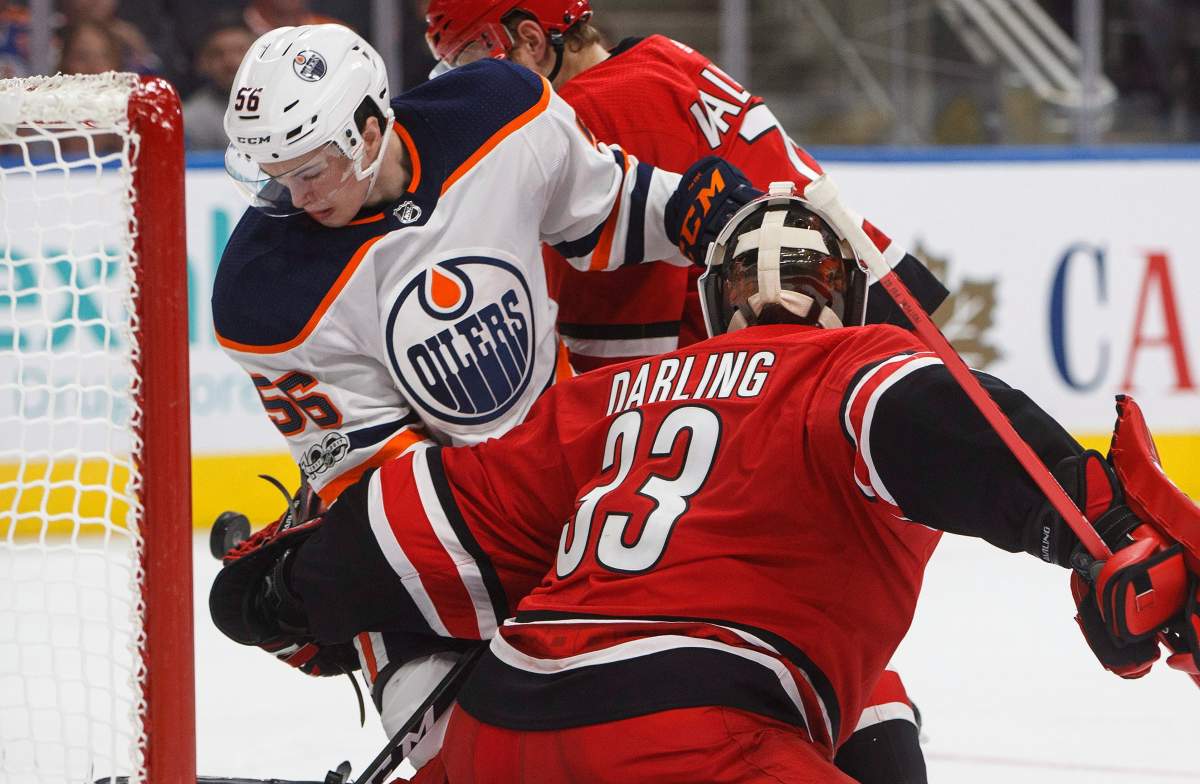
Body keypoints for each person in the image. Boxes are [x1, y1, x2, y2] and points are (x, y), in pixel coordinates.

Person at [211, 183, 1200, 781]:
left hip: (504, 734)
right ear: (845, 300)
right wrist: (1091, 522)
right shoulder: (846, 367)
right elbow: (944, 424)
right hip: (696, 734)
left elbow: (412, 522)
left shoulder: (612, 395)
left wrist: (276, 593)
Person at [212, 21, 760, 775]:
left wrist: (688, 213)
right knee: (463, 755)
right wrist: (519, 565)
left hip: (578, 479)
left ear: (372, 128)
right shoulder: (265, 292)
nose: (298, 197)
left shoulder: (499, 114)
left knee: (652, 728)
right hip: (430, 544)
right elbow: (385, 482)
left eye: (313, 169)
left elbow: (598, 211)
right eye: (278, 175)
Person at [423, 1, 943, 779]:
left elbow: (550, 352)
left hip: (774, 403)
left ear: (532, 39)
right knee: (816, 625)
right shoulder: (665, 60)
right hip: (857, 373)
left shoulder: (579, 112)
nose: (470, 84)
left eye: (475, 56)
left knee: (710, 631)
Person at [183, 15, 255, 150]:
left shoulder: (286, 105)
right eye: (218, 54)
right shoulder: (190, 120)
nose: (230, 62)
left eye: (239, 51)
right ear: (203, 63)